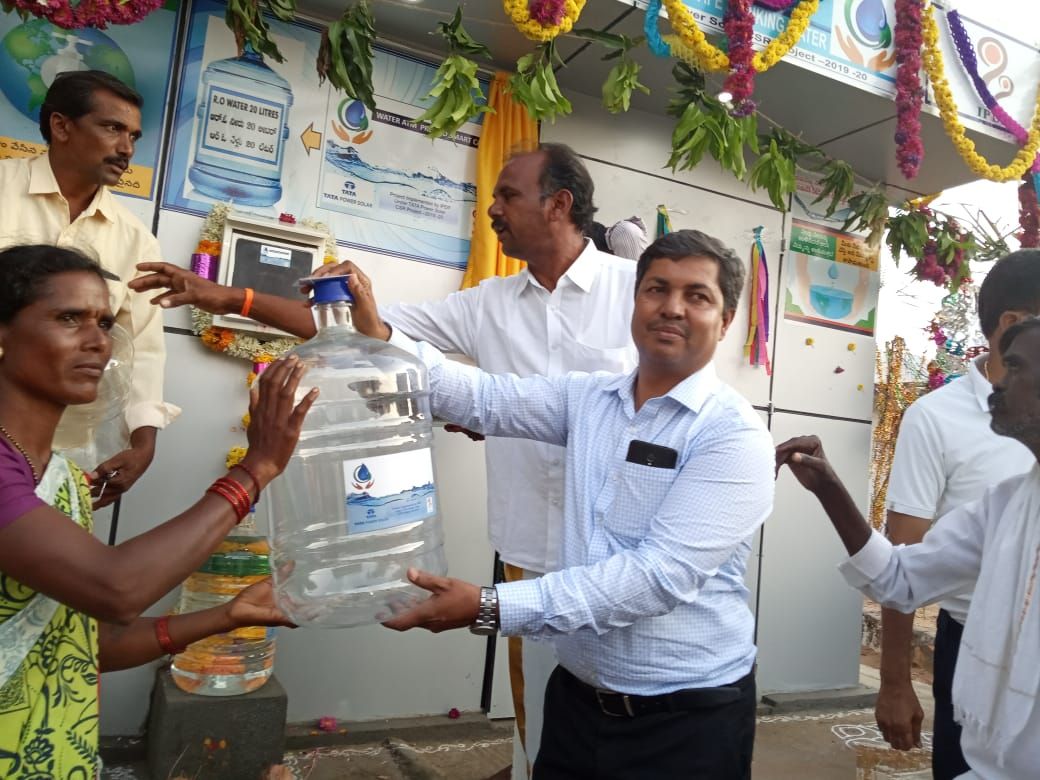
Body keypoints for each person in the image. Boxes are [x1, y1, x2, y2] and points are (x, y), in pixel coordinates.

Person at [129, 142, 638, 775]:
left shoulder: (635, 290)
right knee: (538, 708)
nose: (492, 210)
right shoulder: (489, 303)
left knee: (631, 701)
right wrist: (229, 298)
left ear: (558, 204)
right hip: (530, 542)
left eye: (507, 195)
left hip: (621, 541)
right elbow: (357, 331)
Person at [323, 229, 774, 779]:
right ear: (635, 302)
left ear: (725, 321)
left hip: (686, 722)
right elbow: (484, 397)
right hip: (577, 703)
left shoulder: (732, 435)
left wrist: (488, 606)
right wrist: (377, 333)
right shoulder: (590, 399)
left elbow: (657, 577)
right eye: (657, 289)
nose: (672, 308)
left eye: (697, 296)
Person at [0, 244, 317, 777]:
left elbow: (85, 643)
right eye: (69, 318)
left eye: (105, 322)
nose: (97, 341)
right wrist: (254, 471)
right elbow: (115, 588)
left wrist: (226, 615)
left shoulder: (65, 481)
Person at [776, 317, 1040, 778]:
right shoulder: (1004, 505)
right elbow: (898, 579)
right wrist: (829, 489)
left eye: (1016, 368)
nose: (998, 382)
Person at [877, 250, 1039, 776]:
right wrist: (895, 681)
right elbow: (904, 557)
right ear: (1012, 324)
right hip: (971, 639)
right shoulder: (936, 418)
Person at [0, 70, 179, 509]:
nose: (127, 148)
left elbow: (144, 347)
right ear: (61, 126)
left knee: (47, 554)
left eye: (133, 136)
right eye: (113, 128)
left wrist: (143, 441)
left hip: (59, 452)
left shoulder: (135, 240)